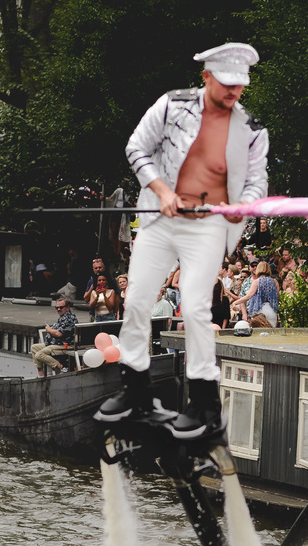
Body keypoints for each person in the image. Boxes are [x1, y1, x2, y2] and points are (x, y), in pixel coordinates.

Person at [97, 42, 269, 436]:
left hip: (208, 224)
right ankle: (135, 389)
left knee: (194, 305)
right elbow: (136, 147)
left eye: (239, 85)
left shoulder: (252, 130)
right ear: (206, 77)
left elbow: (257, 182)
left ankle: (205, 401)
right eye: (226, 83)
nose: (233, 92)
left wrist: (243, 205)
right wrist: (162, 192)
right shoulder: (171, 106)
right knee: (138, 298)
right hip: (160, 216)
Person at [32, 296, 78, 376]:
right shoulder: (63, 317)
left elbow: (58, 334)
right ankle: (41, 374)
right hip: (56, 343)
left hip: (65, 345)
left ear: (67, 307)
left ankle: (61, 367)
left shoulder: (69, 318)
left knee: (39, 355)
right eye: (56, 308)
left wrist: (49, 330)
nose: (58, 310)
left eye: (61, 307)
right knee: (34, 347)